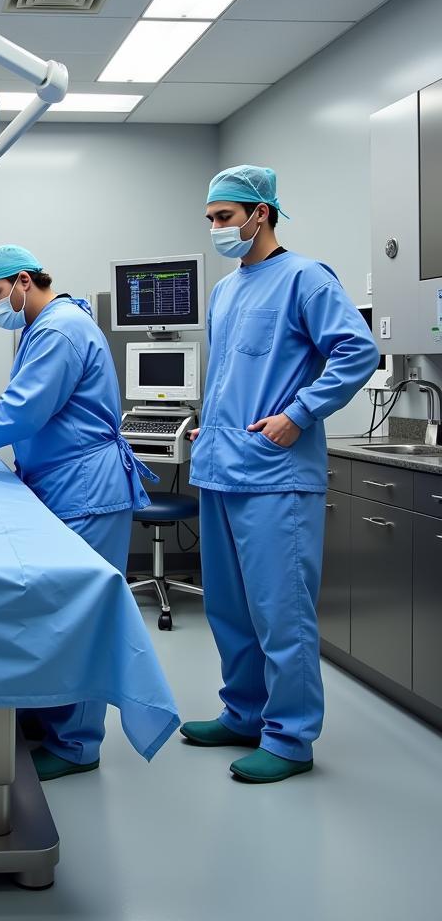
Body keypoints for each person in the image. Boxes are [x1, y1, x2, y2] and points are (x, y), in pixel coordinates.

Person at [0, 244, 158, 781]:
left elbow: (23, 410)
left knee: (80, 616)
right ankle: (47, 717)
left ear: (24, 281)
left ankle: (75, 742)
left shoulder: (59, 330)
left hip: (86, 487)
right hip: (61, 482)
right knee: (53, 612)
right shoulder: (41, 328)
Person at [181, 165, 379, 783]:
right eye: (210, 219)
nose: (216, 229)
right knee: (229, 609)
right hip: (220, 468)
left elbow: (358, 350)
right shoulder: (226, 291)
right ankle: (244, 712)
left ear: (259, 213)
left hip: (276, 473)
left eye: (224, 218)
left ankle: (291, 738)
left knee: (280, 612)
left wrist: (298, 414)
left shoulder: (306, 278)